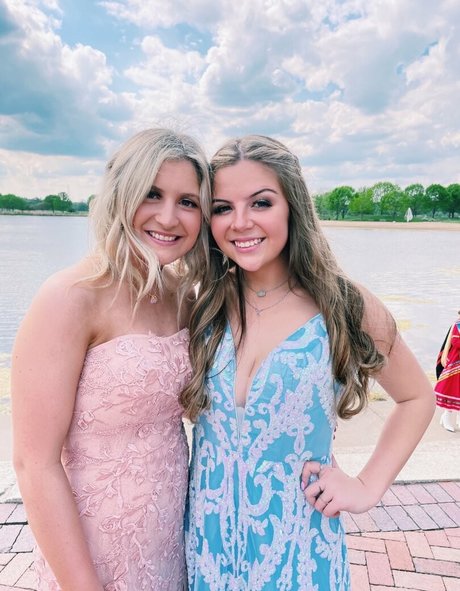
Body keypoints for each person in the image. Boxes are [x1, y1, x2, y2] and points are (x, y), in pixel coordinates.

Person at [181, 135, 435, 590]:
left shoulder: (343, 303)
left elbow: (417, 397)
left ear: (292, 206)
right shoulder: (205, 304)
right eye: (222, 208)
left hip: (299, 548)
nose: (240, 222)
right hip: (208, 546)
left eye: (261, 203)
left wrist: (366, 486)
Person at [11, 128, 211, 590]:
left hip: (168, 543)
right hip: (92, 550)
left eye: (187, 201)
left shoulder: (183, 295)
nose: (168, 217)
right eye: (152, 194)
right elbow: (34, 464)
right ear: (121, 194)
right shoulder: (71, 296)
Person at [435, 311, 460, 432]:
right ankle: (446, 417)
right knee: (452, 389)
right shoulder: (458, 324)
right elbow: (455, 341)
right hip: (456, 363)